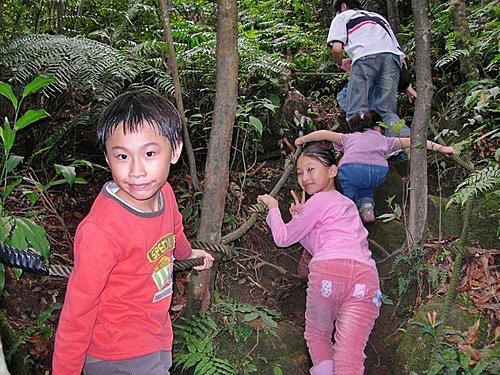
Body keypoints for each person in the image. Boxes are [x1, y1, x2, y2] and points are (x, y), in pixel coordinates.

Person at [52, 91, 215, 375]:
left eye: (150, 154)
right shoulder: (100, 231)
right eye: (123, 156)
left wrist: (189, 254)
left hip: (155, 333)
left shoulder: (164, 193)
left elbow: (173, 231)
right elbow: (77, 311)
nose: (137, 171)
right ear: (107, 157)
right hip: (116, 352)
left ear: (174, 150)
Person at [257, 141, 381, 374]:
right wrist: (302, 222)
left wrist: (273, 209)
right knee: (350, 357)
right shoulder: (349, 205)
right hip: (365, 279)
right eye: (301, 172)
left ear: (332, 171)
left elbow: (282, 238)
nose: (305, 177)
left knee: (318, 334)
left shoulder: (318, 201)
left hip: (328, 275)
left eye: (311, 169)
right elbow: (321, 245)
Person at [295, 110, 458, 223]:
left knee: (345, 192)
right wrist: (444, 148)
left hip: (352, 169)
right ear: (377, 127)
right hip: (378, 173)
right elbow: (416, 142)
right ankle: (367, 210)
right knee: (366, 189)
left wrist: (303, 140)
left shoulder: (349, 137)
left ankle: (340, 214)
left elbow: (324, 134)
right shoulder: (386, 140)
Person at [327, 0, 410, 137]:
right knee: (386, 112)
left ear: (343, 6)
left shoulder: (343, 16)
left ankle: (365, 148)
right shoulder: (378, 18)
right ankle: (407, 144)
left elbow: (337, 49)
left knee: (356, 112)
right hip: (392, 60)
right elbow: (398, 54)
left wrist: (340, 63)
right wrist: (407, 84)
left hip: (365, 59)